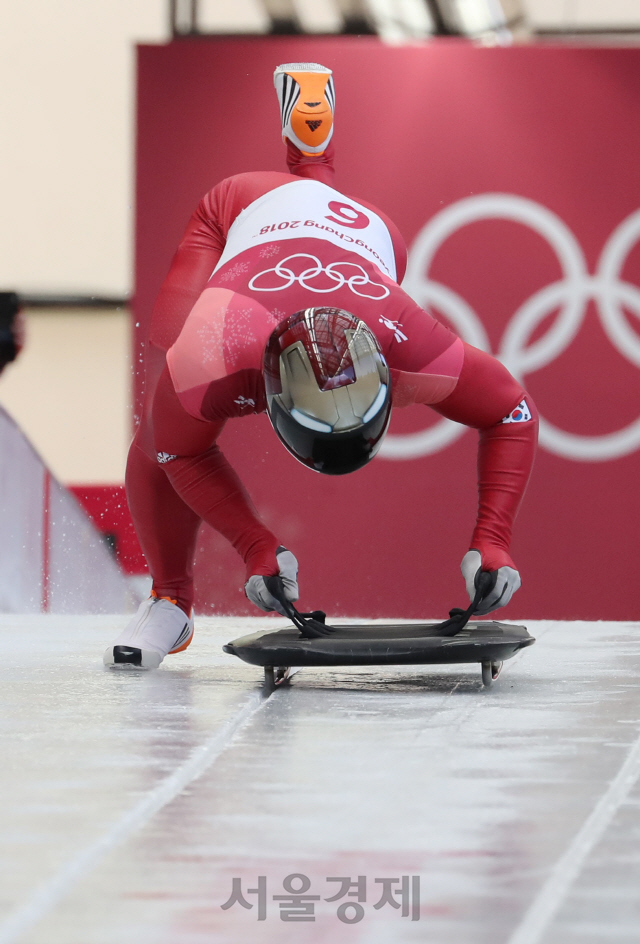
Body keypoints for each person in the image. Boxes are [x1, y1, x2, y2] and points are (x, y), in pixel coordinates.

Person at [104, 63, 537, 669]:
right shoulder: (213, 349)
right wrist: (254, 544)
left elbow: (513, 412)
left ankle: (312, 148)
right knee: (157, 431)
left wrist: (493, 541)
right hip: (244, 213)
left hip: (370, 236)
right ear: (269, 395)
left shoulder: (411, 342)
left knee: (175, 423)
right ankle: (170, 600)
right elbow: (179, 452)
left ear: (390, 377)